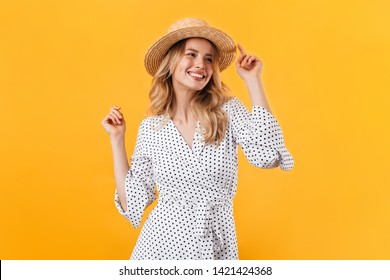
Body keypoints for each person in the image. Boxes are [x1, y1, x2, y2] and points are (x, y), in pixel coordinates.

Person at [101, 18, 294, 260]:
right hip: (159, 250)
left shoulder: (226, 111)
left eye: (208, 58)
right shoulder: (151, 129)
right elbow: (133, 204)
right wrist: (117, 141)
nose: (200, 64)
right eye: (191, 54)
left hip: (216, 246)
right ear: (171, 62)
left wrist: (252, 81)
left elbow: (266, 156)